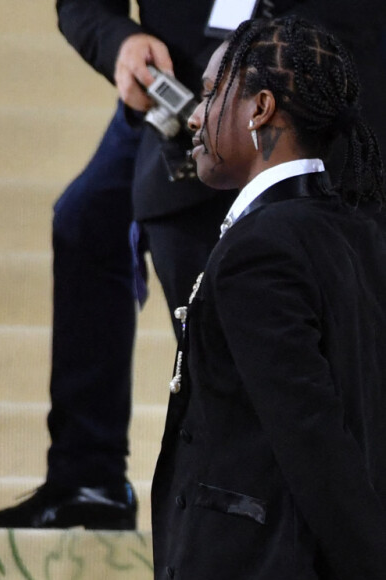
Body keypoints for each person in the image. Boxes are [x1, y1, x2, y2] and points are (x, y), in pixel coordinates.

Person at [0, 1, 386, 530]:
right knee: (87, 219)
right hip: (188, 81)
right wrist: (119, 41)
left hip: (317, 85)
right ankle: (88, 479)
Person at [152, 15, 386, 580]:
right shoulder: (359, 234)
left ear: (259, 109)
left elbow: (314, 441)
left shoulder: (259, 250)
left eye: (211, 95)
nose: (196, 117)